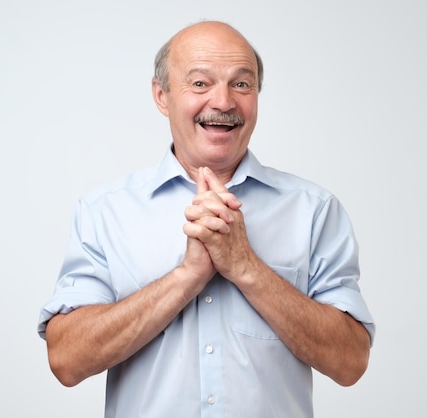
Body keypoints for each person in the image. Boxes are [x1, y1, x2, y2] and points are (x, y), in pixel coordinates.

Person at [38, 20, 375, 418]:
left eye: (242, 85)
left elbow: (350, 362)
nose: (224, 102)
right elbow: (66, 360)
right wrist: (186, 277)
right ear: (161, 95)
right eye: (200, 84)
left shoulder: (315, 209)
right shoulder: (105, 211)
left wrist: (246, 267)